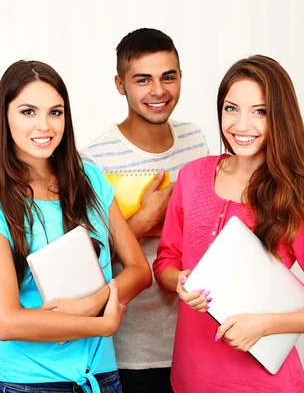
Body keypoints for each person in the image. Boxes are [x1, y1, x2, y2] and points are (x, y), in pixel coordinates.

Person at [153, 55, 304, 392]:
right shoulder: (192, 176)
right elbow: (166, 261)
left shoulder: (296, 201)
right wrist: (179, 281)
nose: (241, 124)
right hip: (189, 378)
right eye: (231, 108)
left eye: (259, 111)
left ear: (279, 118)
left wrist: (264, 325)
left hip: (263, 383)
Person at [0, 60, 152, 393]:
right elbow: (7, 322)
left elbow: (139, 269)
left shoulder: (91, 180)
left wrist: (90, 305)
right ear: (4, 117)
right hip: (28, 384)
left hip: (101, 379)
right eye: (28, 112)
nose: (44, 126)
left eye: (55, 112)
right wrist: (98, 323)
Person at [80, 28, 209, 392]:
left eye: (168, 77)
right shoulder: (93, 158)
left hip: (196, 335)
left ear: (181, 77)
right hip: (129, 349)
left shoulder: (196, 139)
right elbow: (87, 259)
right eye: (143, 80)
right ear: (120, 85)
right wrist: (142, 220)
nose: (158, 91)